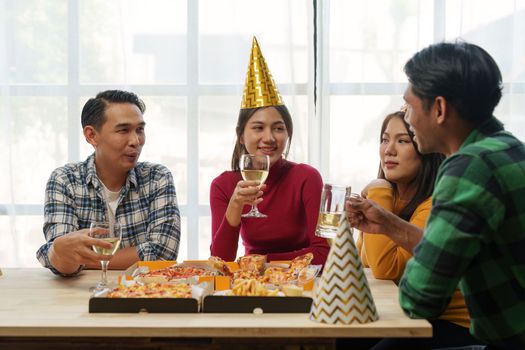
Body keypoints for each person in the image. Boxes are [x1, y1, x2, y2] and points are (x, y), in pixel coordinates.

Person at [347, 41, 525, 349]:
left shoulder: (469, 168)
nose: (409, 118)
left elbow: (420, 298)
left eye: (411, 107)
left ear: (439, 109)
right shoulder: (509, 148)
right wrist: (390, 224)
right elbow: (462, 250)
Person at [355, 110, 483, 349]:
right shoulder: (391, 201)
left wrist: (380, 191)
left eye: (403, 141)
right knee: (340, 340)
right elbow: (363, 264)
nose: (389, 150)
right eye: (384, 139)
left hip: (454, 325)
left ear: (425, 151)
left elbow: (386, 270)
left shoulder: (433, 203)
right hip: (409, 315)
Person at [210, 37, 329, 265]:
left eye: (278, 128)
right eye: (258, 128)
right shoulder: (223, 185)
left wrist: (259, 260)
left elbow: (322, 254)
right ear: (241, 135)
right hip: (252, 285)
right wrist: (235, 206)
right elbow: (220, 261)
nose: (269, 138)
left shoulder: (306, 177)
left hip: (300, 283)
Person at [36, 90, 181, 276]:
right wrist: (61, 253)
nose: (135, 141)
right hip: (80, 295)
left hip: (142, 294)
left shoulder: (157, 178)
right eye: (123, 130)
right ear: (91, 136)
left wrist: (84, 259)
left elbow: (163, 254)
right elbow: (65, 259)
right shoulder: (65, 180)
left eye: (140, 130)